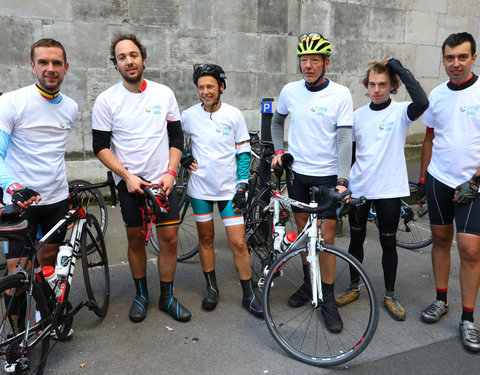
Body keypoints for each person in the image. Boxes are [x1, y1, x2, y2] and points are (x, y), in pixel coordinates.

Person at [91, 34, 191, 323]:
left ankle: (167, 297)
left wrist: (172, 172)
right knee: (135, 241)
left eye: (133, 55)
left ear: (143, 59)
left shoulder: (163, 93)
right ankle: (141, 294)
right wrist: (126, 176)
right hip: (129, 184)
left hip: (162, 182)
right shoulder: (106, 100)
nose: (129, 61)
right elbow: (100, 146)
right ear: (116, 65)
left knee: (169, 239)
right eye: (122, 57)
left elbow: (175, 137)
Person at [270, 33, 353, 333]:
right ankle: (309, 284)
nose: (308, 65)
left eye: (314, 60)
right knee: (307, 235)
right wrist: (279, 151)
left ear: (326, 63)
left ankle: (327, 298)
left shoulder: (340, 94)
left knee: (327, 238)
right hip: (299, 175)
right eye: (304, 60)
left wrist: (343, 180)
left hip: (328, 176)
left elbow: (345, 138)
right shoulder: (291, 91)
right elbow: (277, 122)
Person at [334, 58, 428, 321]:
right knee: (355, 238)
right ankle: (354, 287)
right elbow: (349, 154)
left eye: (383, 84)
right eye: (373, 84)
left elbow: (422, 101)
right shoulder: (357, 116)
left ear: (392, 86)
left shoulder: (401, 112)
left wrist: (399, 68)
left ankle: (390, 294)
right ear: (367, 85)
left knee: (388, 241)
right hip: (361, 187)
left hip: (389, 189)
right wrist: (344, 184)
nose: (376, 90)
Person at [0, 38, 77, 351]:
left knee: (46, 263)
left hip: (56, 199)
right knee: (17, 273)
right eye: (43, 62)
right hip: (20, 201)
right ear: (32, 65)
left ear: (65, 68)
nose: (50, 68)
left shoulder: (70, 107)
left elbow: (51, 154)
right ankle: (16, 341)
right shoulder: (12, 102)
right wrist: (13, 187)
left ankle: (45, 314)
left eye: (56, 63)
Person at [180, 63, 263, 318]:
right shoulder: (189, 115)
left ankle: (248, 294)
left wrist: (242, 186)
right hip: (200, 189)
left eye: (211, 87)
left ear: (221, 87)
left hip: (229, 191)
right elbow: (169, 139)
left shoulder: (233, 115)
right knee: (205, 239)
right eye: (201, 87)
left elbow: (243, 153)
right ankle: (211, 287)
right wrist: (183, 156)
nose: (205, 91)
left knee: (238, 242)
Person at [417, 32, 480, 352]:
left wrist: (477, 181)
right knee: (441, 241)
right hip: (439, 179)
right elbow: (429, 137)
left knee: (469, 249)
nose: (456, 64)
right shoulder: (438, 94)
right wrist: (424, 180)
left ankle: (468, 319)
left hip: (474, 183)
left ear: (473, 57)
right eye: (450, 58)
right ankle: (441, 299)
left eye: (462, 57)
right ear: (443, 59)